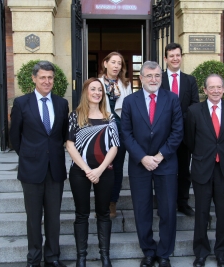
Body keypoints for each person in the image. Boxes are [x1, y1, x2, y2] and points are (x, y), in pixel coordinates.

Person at [121, 61, 183, 267]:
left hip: (165, 163)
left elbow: (177, 132)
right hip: (140, 165)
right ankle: (148, 251)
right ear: (141, 78)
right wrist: (142, 157)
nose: (153, 79)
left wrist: (160, 155)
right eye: (149, 76)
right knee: (142, 210)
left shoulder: (172, 99)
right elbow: (126, 134)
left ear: (161, 77)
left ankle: (164, 253)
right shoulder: (130, 101)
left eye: (157, 75)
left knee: (167, 210)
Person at [10, 61, 69, 267]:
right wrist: (29, 156)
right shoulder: (21, 103)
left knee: (53, 218)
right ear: (34, 78)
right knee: (34, 219)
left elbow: (62, 135)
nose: (47, 81)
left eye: (50, 77)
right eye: (42, 77)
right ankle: (34, 259)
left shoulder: (62, 104)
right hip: (31, 169)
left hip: (55, 170)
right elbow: (15, 138)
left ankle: (52, 257)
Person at [185, 74, 224, 267]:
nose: (216, 90)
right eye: (212, 87)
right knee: (201, 212)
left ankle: (222, 254)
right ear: (205, 90)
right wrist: (203, 154)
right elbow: (190, 140)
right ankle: (200, 253)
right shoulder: (194, 111)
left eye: (219, 87)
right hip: (202, 167)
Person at [66, 77, 119, 267]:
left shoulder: (109, 116)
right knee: (81, 214)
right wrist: (88, 170)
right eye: (93, 89)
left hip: (105, 171)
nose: (97, 93)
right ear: (86, 92)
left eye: (100, 90)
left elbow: (114, 147)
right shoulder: (76, 115)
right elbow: (70, 146)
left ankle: (105, 256)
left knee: (103, 213)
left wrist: (100, 169)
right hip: (80, 172)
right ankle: (82, 257)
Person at [162, 42, 199, 217]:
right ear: (165, 59)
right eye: (171, 56)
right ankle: (164, 202)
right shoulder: (158, 79)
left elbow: (194, 107)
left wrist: (178, 121)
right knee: (164, 170)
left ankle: (183, 203)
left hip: (184, 135)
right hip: (163, 135)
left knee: (184, 170)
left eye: (178, 55)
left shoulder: (190, 80)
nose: (175, 58)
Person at [98, 51, 132, 218]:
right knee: (101, 166)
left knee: (117, 168)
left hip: (121, 130)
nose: (116, 66)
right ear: (105, 64)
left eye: (119, 63)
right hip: (100, 130)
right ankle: (101, 203)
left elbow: (130, 108)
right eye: (113, 62)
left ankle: (112, 202)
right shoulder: (96, 83)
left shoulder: (126, 84)